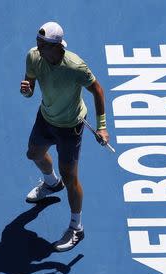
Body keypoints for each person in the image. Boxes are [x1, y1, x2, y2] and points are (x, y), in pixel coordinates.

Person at [20, 21, 110, 252]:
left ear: (58, 45)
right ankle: (51, 183)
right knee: (34, 154)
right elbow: (29, 83)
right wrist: (27, 89)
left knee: (71, 177)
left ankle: (76, 228)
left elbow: (97, 90)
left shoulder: (75, 66)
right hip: (46, 118)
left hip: (70, 127)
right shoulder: (34, 56)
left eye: (43, 45)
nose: (38, 48)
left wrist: (101, 127)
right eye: (38, 43)